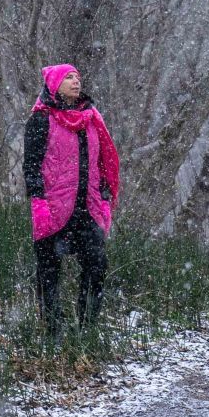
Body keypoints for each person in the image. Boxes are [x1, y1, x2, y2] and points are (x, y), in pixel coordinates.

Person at [24, 64, 120, 338]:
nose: (76, 82)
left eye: (78, 76)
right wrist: (38, 201)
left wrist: (103, 198)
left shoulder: (91, 118)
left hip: (86, 208)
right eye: (68, 78)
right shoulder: (41, 119)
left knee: (97, 264)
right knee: (48, 270)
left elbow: (104, 162)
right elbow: (31, 165)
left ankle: (86, 330)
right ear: (55, 84)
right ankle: (53, 331)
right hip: (53, 208)